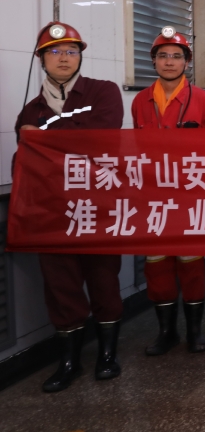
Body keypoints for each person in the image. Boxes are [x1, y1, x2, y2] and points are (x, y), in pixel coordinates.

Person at [16, 22, 125, 392]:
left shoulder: (103, 91)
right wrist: (63, 143)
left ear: (80, 56)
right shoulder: (29, 111)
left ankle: (107, 355)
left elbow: (102, 141)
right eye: (55, 51)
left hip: (98, 208)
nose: (64, 58)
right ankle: (69, 362)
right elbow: (27, 162)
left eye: (71, 51)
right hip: (52, 214)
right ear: (41, 58)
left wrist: (45, 140)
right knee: (61, 287)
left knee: (104, 281)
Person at [132, 27, 205, 356]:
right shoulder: (140, 101)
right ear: (153, 61)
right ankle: (166, 332)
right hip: (153, 199)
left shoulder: (204, 102)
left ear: (187, 62)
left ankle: (195, 333)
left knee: (191, 265)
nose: (169, 62)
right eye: (163, 56)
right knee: (157, 266)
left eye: (176, 56)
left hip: (190, 199)